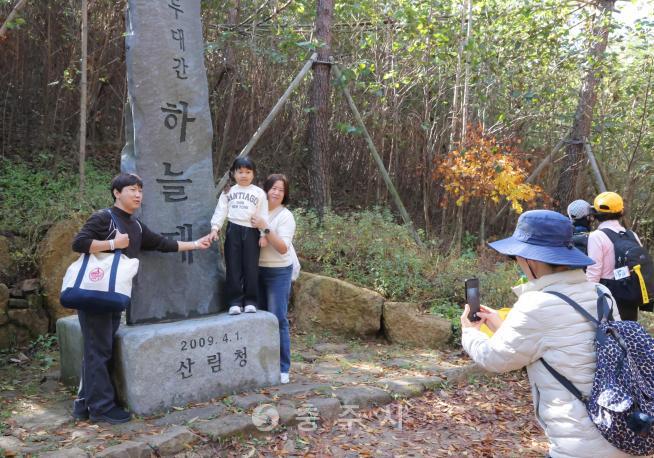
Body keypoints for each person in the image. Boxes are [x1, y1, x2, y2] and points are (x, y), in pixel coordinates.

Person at [460, 210, 629, 458]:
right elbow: (558, 344)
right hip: (623, 430)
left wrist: (469, 332)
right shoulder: (602, 293)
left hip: (579, 445)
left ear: (533, 260)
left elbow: (495, 358)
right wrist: (500, 324)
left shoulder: (536, 305)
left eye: (517, 256)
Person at [71, 173, 211, 424]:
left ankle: (84, 404)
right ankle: (101, 408)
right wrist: (113, 244)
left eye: (140, 190)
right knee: (98, 350)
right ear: (116, 192)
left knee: (97, 349)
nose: (137, 195)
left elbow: (162, 243)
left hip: (114, 295)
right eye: (132, 189)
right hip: (96, 292)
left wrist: (195, 244)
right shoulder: (104, 217)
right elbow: (79, 243)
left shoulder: (135, 225)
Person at [251, 174, 296, 385]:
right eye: (273, 188)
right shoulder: (257, 209)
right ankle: (260, 365)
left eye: (281, 190)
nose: (276, 192)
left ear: (285, 194)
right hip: (256, 270)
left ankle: (282, 367)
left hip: (278, 271)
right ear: (266, 190)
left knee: (278, 318)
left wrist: (265, 228)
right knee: (257, 318)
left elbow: (282, 248)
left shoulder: (285, 216)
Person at [208, 157, 268, 315]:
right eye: (240, 172)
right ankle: (234, 302)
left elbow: (263, 215)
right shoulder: (228, 192)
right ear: (233, 173)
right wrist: (215, 228)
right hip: (233, 230)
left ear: (253, 174)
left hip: (251, 231)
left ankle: (250, 301)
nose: (244, 175)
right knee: (233, 266)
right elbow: (220, 211)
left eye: (248, 172)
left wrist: (263, 234)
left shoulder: (259, 193)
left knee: (251, 267)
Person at [586, 192, 644, 321]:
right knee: (628, 333)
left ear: (595, 213)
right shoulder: (631, 235)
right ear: (621, 212)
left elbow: (594, 272)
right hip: (630, 291)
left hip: (607, 292)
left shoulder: (597, 236)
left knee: (610, 335)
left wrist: (586, 296)